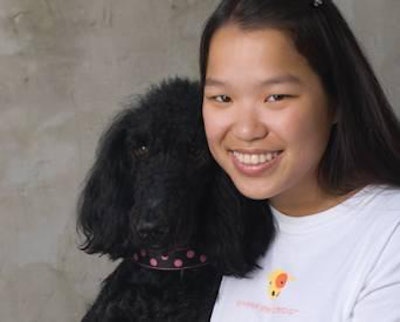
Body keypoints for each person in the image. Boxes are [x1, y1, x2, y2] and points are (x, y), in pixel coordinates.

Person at [199, 0, 400, 321]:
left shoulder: (390, 236)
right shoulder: (209, 223)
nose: (247, 130)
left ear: (336, 101)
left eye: (276, 97)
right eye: (222, 98)